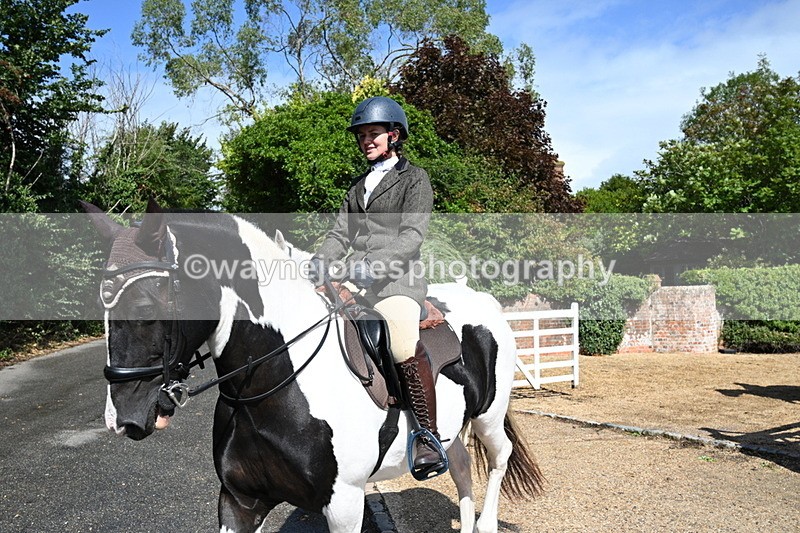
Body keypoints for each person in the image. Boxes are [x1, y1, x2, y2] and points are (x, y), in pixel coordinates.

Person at [310, 96, 444, 476]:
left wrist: (369, 267)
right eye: (362, 135)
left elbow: (412, 235)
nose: (367, 141)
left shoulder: (414, 178)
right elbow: (340, 233)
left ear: (394, 135)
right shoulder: (358, 187)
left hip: (398, 282)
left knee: (401, 343)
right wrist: (318, 263)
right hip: (362, 283)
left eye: (374, 134)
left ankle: (427, 437)